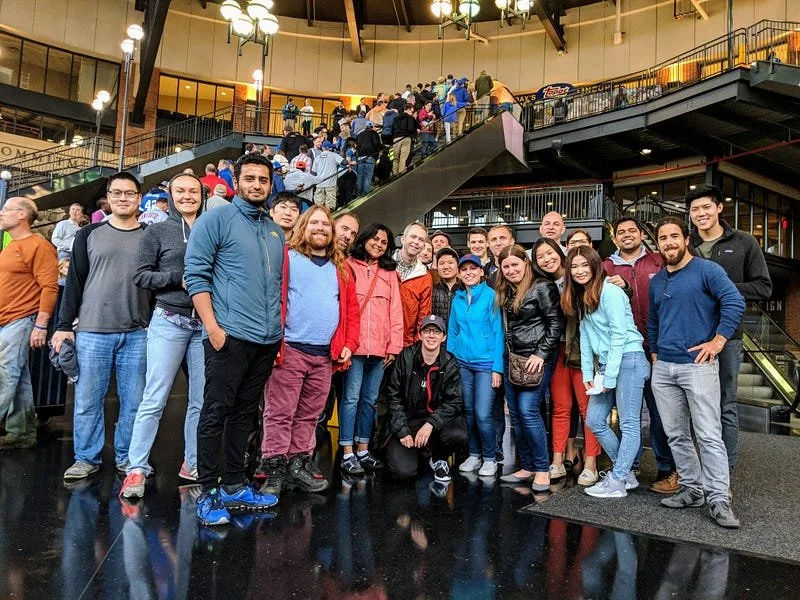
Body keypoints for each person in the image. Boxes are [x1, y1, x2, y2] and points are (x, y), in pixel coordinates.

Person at [183, 153, 284, 526]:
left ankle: (235, 484)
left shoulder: (274, 230)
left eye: (263, 180)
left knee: (244, 415)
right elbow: (195, 275)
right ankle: (208, 491)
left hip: (265, 340)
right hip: (229, 336)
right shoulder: (216, 219)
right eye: (250, 179)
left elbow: (275, 288)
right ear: (237, 181)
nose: (257, 185)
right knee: (215, 413)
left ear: (271, 184)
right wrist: (212, 327)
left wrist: (277, 336)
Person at [52, 173, 151, 482]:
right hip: (92, 331)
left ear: (139, 198)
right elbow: (74, 283)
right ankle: (85, 458)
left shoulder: (151, 236)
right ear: (108, 198)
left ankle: (127, 458)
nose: (123, 198)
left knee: (134, 404)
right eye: (117, 193)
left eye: (129, 193)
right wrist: (63, 324)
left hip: (138, 332)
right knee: (86, 402)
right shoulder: (89, 234)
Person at [649, 216, 745, 529]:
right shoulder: (657, 280)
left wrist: (718, 341)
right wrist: (654, 353)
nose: (668, 243)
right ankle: (692, 489)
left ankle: (719, 497)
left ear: (686, 239)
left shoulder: (707, 270)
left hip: (698, 366)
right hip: (664, 367)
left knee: (707, 434)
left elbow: (734, 301)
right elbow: (653, 320)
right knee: (676, 434)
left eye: (674, 236)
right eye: (663, 238)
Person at [257, 206, 360, 497]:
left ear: (331, 231)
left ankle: (298, 464)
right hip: (290, 350)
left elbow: (351, 310)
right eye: (314, 222)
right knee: (280, 413)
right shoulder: (288, 258)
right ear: (304, 226)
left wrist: (349, 345)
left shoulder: (341, 267)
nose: (320, 228)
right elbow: (273, 299)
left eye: (325, 225)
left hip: (324, 356)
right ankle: (274, 468)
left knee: (309, 415)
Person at [120, 174, 205, 500]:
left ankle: (192, 463)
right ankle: (136, 468)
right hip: (169, 320)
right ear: (170, 194)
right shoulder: (157, 231)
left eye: (193, 191)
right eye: (180, 190)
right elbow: (141, 275)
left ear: (202, 195)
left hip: (204, 325)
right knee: (154, 398)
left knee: (200, 400)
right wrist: (176, 278)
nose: (187, 196)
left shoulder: (211, 229)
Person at [687, 184, 771, 472]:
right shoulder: (685, 244)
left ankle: (725, 471)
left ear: (719, 208)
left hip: (728, 337)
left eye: (706, 207)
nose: (701, 214)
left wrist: (721, 287)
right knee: (689, 406)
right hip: (690, 335)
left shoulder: (744, 242)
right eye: (695, 209)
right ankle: (691, 469)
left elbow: (763, 287)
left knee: (725, 405)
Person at [562, 246, 649, 499]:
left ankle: (619, 479)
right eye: (574, 266)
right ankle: (626, 472)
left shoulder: (610, 292)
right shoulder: (582, 296)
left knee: (630, 423)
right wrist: (589, 372)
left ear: (594, 266)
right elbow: (586, 337)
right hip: (607, 364)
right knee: (595, 420)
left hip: (629, 359)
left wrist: (609, 377)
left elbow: (619, 335)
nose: (579, 271)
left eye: (584, 265)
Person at [603, 217, 677, 494]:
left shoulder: (659, 261)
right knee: (626, 414)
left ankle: (665, 467)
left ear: (641, 234)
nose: (626, 235)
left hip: (658, 346)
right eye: (620, 232)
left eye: (631, 230)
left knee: (659, 412)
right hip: (624, 349)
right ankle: (629, 466)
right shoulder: (606, 266)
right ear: (615, 238)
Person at [495, 244, 564, 491]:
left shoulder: (542, 286)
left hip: (536, 358)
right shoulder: (506, 291)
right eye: (506, 266)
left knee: (528, 410)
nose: (511, 270)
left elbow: (556, 322)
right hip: (513, 359)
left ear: (525, 262)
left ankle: (543, 469)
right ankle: (527, 466)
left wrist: (541, 354)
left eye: (515, 264)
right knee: (515, 413)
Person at [533, 238, 600, 486]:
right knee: (560, 407)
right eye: (540, 256)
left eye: (550, 253)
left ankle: (591, 463)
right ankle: (558, 460)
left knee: (588, 409)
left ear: (560, 252)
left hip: (581, 350)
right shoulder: (541, 283)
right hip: (556, 350)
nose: (546, 259)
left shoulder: (579, 277)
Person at [339, 223, 403, 475]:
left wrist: (394, 346)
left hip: (379, 348)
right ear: (364, 239)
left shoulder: (389, 273)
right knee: (351, 399)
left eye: (384, 242)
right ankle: (347, 451)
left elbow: (395, 311)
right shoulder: (347, 265)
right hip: (354, 347)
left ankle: (363, 449)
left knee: (370, 400)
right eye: (374, 239)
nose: (378, 244)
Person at [0, 197, 58, 449]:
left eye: (6, 210)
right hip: (8, 319)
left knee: (4, 375)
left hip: (21, 319)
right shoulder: (12, 245)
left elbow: (50, 287)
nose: (1, 214)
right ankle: (21, 433)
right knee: (18, 376)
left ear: (22, 215)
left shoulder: (39, 246)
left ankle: (20, 432)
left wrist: (41, 325)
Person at [385, 314, 467, 482]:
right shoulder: (405, 357)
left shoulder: (450, 363)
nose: (431, 335)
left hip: (435, 423)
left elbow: (454, 402)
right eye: (427, 331)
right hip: (409, 421)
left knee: (458, 434)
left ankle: (438, 458)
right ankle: (419, 453)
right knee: (403, 473)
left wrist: (431, 424)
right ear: (420, 335)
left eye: (436, 332)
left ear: (443, 337)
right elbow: (393, 397)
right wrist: (402, 431)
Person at [447, 254, 504, 477]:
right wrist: (449, 364)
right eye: (464, 269)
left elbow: (499, 333)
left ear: (481, 272)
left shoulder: (491, 296)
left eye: (473, 268)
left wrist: (497, 368)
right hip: (462, 363)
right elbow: (453, 331)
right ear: (459, 274)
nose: (469, 272)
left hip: (485, 364)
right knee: (469, 411)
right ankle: (474, 454)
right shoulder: (458, 298)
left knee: (483, 413)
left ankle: (489, 457)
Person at [393, 222, 433, 348]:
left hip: (407, 344)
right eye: (413, 237)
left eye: (421, 239)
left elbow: (424, 314)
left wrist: (415, 345)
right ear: (403, 239)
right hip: (381, 340)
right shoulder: (385, 265)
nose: (416, 242)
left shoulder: (424, 276)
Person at [431, 247, 459, 328]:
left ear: (457, 266)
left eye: (450, 262)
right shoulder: (432, 290)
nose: (446, 266)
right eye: (441, 263)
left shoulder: (465, 290)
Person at [312, 141, 344, 210]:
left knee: (319, 206)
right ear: (330, 148)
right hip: (330, 184)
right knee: (329, 206)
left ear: (323, 148)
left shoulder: (317, 157)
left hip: (319, 184)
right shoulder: (334, 155)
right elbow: (344, 162)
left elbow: (313, 173)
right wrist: (351, 162)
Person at [356, 122, 383, 197]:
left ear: (366, 126)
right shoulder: (374, 133)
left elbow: (357, 146)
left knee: (360, 176)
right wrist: (382, 148)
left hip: (361, 157)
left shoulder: (360, 134)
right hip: (370, 157)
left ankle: (358, 194)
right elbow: (376, 143)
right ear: (371, 127)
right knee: (368, 177)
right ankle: (365, 194)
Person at [391, 104, 418, 176]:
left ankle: (394, 173)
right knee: (403, 157)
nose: (412, 113)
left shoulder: (395, 118)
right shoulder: (410, 118)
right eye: (412, 111)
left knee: (396, 158)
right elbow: (411, 128)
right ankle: (401, 173)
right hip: (406, 138)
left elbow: (392, 130)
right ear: (409, 110)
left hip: (396, 139)